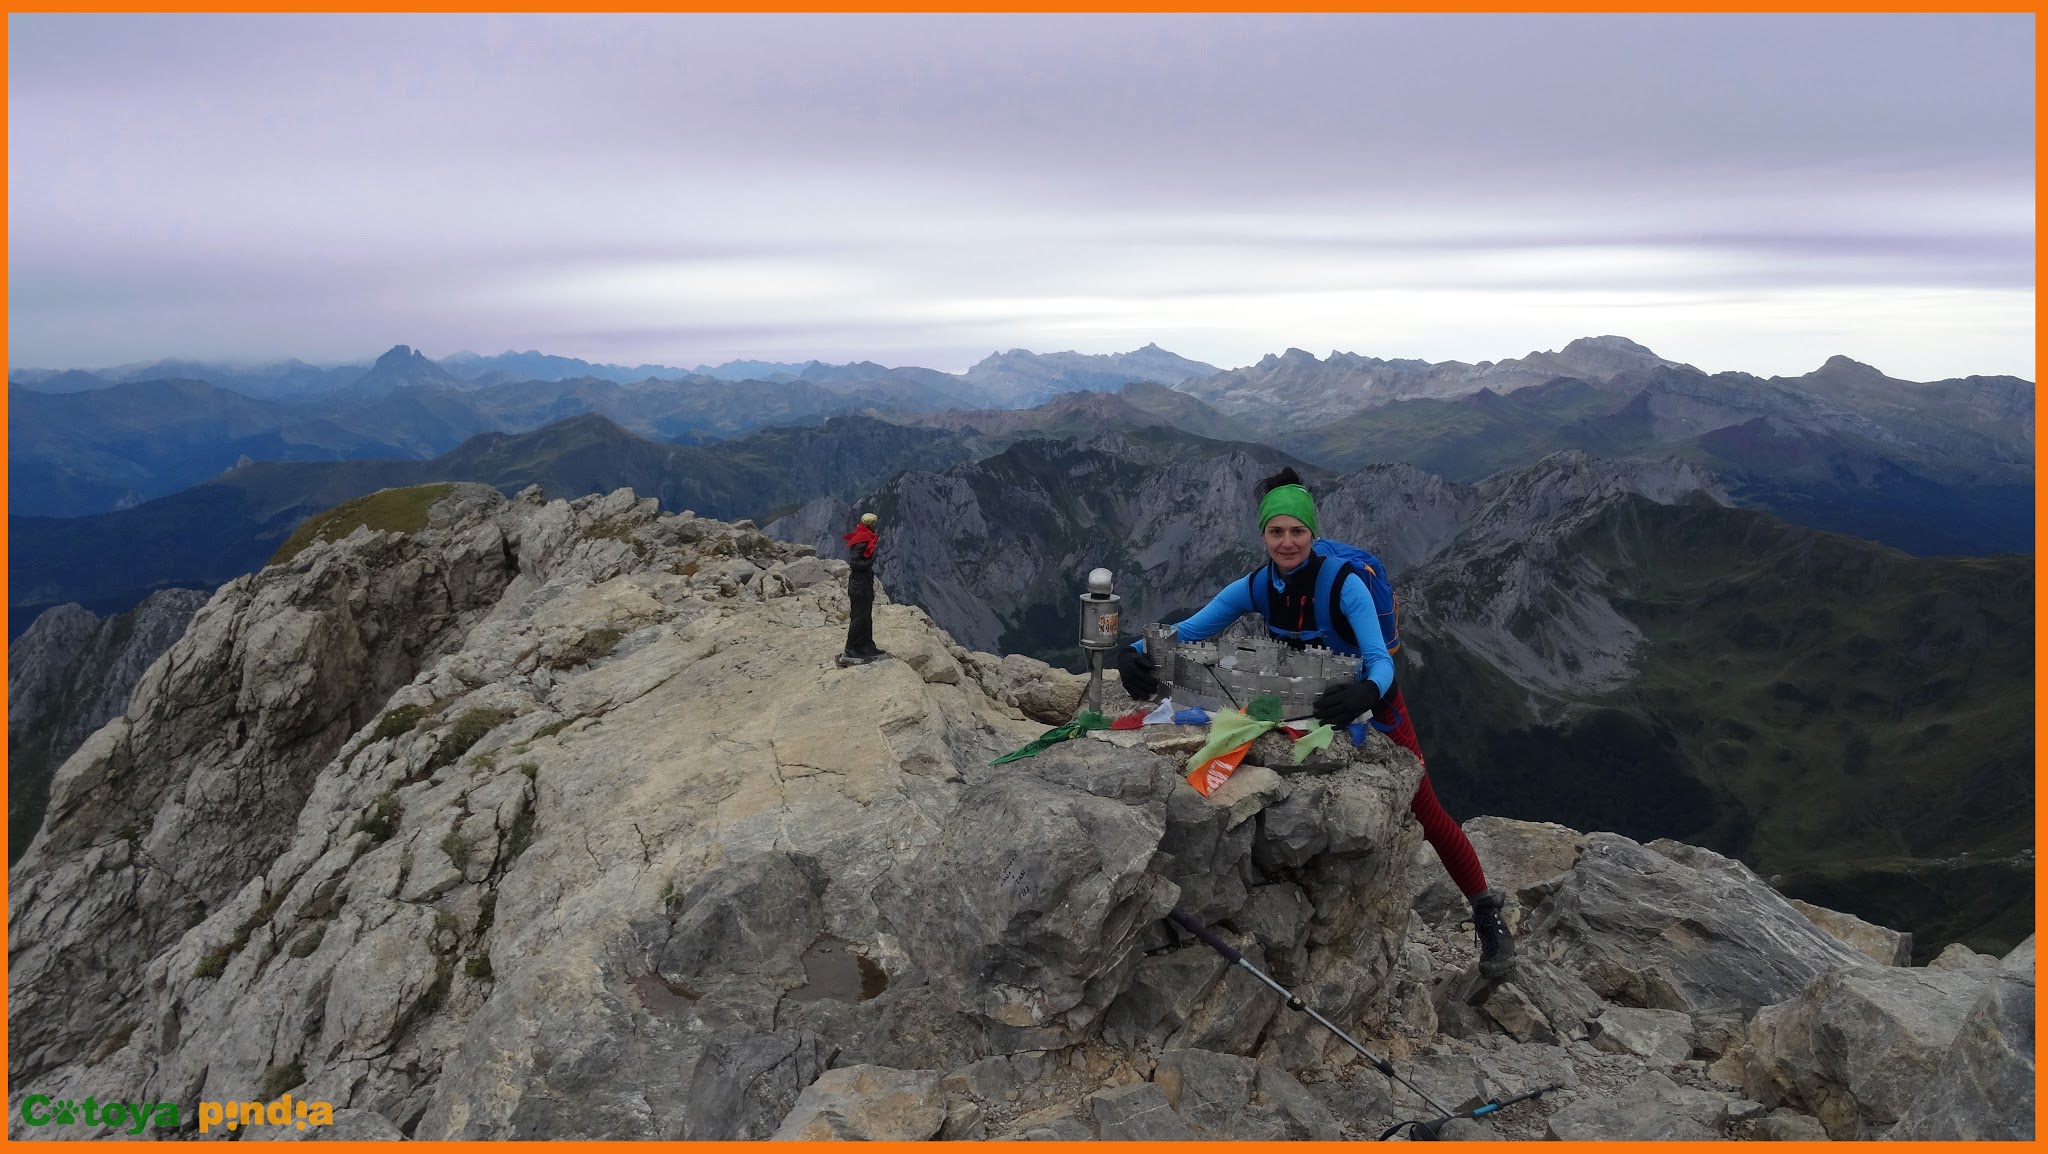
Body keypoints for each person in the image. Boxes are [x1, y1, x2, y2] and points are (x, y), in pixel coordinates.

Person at [1117, 468, 1516, 979]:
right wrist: (1133, 652)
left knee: (1429, 811)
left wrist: (1367, 692)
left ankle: (1485, 909)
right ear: (1263, 535)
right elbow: (1188, 630)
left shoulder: (1345, 585)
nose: (1287, 542)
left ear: (1313, 534)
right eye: (1276, 532)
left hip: (1371, 706)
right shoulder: (1256, 586)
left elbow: (1380, 658)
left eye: (1297, 532)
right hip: (1303, 711)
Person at [837, 512, 888, 667]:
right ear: (870, 525)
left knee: (865, 616)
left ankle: (866, 645)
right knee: (859, 617)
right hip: (860, 585)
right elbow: (855, 564)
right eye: (874, 523)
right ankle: (852, 648)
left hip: (863, 583)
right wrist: (871, 560)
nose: (875, 525)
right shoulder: (862, 542)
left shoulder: (862, 537)